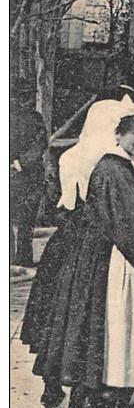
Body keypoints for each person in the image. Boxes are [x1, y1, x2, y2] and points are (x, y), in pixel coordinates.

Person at [33, 101, 134, 408]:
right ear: (118, 133)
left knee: (95, 340)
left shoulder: (121, 164)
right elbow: (131, 225)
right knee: (115, 342)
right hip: (119, 263)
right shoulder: (114, 170)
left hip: (102, 259)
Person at [11, 81, 47, 268]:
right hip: (15, 174)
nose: (27, 100)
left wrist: (20, 163)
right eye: (23, 96)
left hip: (29, 176)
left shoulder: (35, 118)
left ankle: (22, 258)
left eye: (29, 96)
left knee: (26, 219)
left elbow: (40, 144)